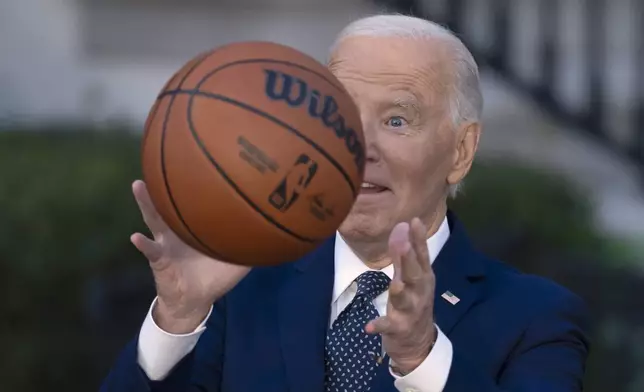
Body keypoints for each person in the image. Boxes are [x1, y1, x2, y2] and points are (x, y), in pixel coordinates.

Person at [100, 14, 590, 392]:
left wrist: (422, 357)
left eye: (397, 120)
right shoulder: (236, 292)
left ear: (460, 152)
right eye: (338, 116)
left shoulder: (536, 318)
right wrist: (177, 321)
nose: (358, 147)